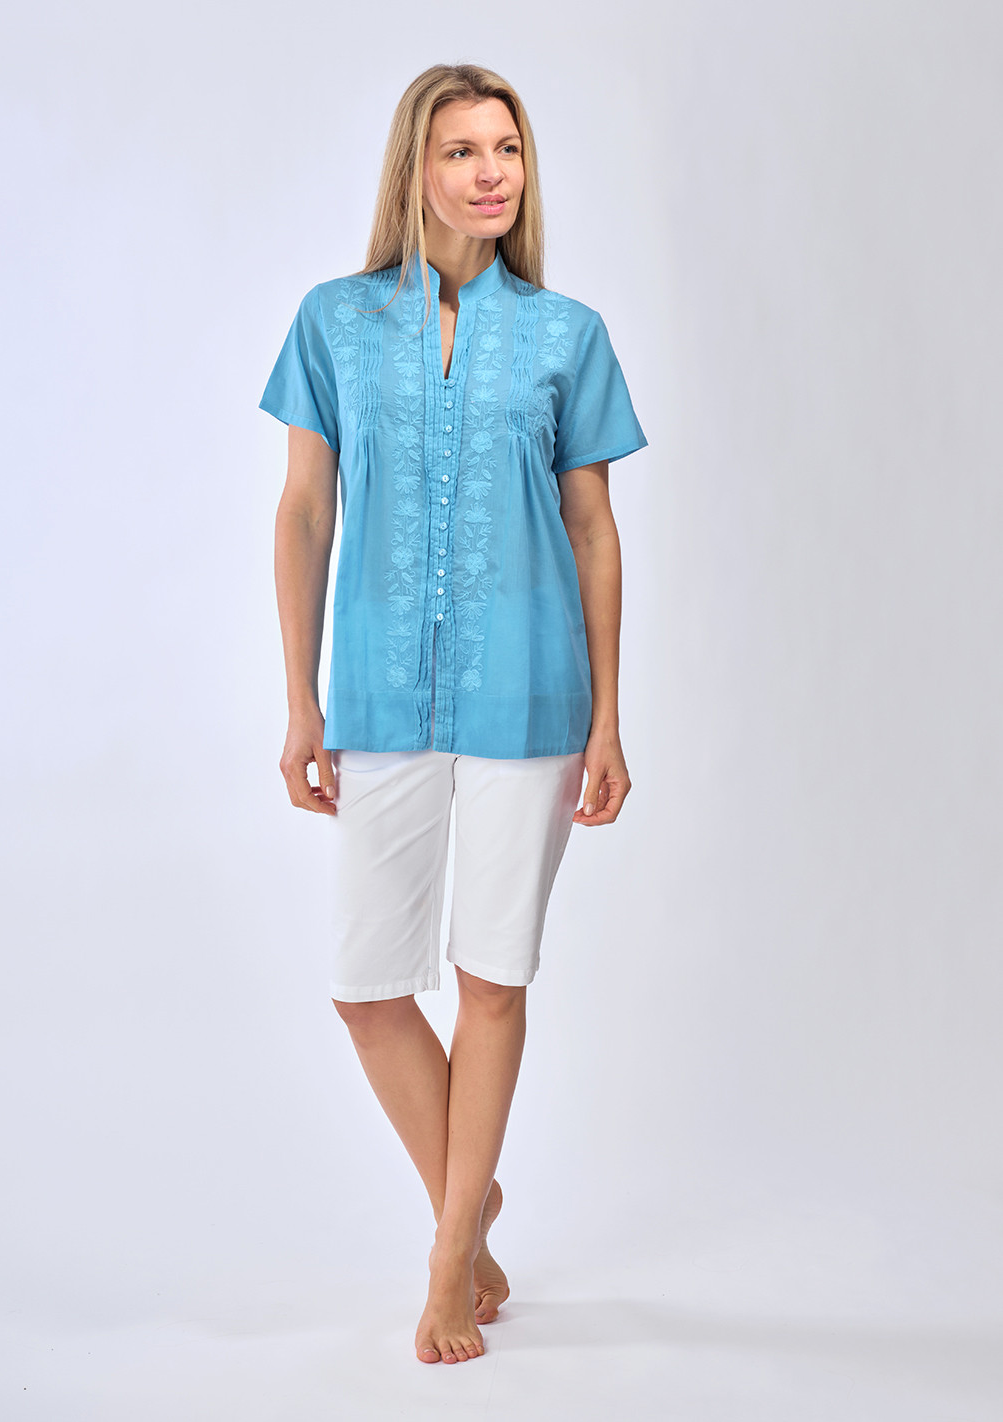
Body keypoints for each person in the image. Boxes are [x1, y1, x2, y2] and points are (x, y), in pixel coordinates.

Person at [258, 62, 648, 1366]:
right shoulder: (333, 321)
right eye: (463, 149)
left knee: (491, 976)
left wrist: (608, 718)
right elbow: (303, 510)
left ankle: (445, 1267)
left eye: (508, 149)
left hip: (531, 694)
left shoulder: (566, 334)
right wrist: (300, 698)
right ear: (412, 170)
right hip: (376, 690)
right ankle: (470, 1205)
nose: (492, 173)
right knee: (368, 990)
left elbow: (593, 529)